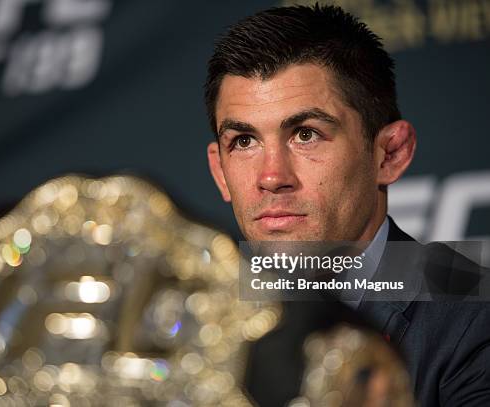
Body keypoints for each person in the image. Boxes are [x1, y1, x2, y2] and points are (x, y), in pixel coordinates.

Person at [204, 5, 490, 406]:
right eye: (244, 142)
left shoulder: (477, 313)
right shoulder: (194, 327)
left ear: (389, 154)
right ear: (220, 172)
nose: (271, 177)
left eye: (306, 134)